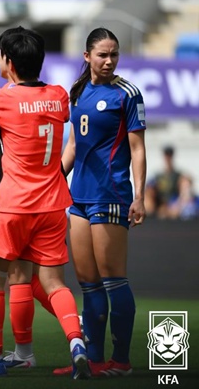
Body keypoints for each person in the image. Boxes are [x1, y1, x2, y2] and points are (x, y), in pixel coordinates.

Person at [0, 26, 90, 379]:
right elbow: (5, 113)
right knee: (48, 281)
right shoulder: (57, 96)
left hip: (12, 205)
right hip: (51, 204)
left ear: (7, 61)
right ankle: (72, 343)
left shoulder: (2, 99)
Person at [54, 27, 147, 377]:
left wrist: (139, 196)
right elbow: (73, 145)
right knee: (88, 282)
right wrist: (53, 182)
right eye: (102, 55)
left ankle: (121, 361)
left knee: (113, 280)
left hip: (110, 195)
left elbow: (137, 148)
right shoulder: (78, 91)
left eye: (114, 55)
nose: (109, 61)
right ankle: (92, 361)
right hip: (78, 197)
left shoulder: (127, 94)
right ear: (87, 56)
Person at [146, 146, 181, 218]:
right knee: (149, 190)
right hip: (159, 202)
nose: (168, 158)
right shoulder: (158, 175)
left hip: (173, 202)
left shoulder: (177, 175)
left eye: (169, 155)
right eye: (166, 155)